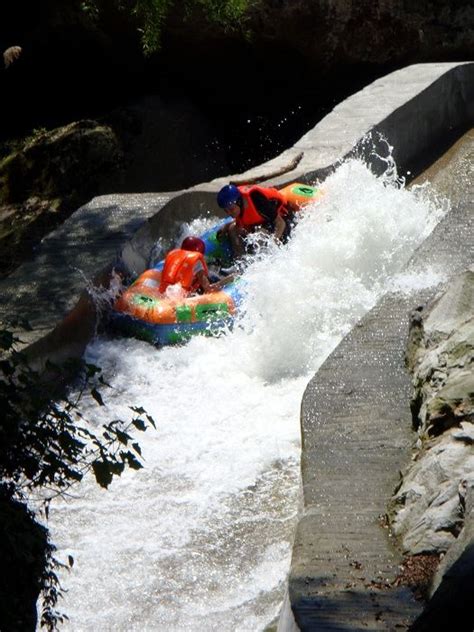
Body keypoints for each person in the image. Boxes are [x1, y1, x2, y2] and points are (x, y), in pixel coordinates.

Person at [216, 183, 295, 257]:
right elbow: (244, 218)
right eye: (226, 211)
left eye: (231, 209)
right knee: (232, 229)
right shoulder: (238, 204)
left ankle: (260, 261)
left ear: (239, 202)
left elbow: (281, 223)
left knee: (260, 234)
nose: (229, 213)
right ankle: (241, 260)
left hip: (284, 216)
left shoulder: (257, 200)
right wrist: (226, 226)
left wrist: (273, 244)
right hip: (262, 222)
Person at [159, 236, 233, 295]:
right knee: (214, 279)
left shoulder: (173, 255)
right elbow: (209, 289)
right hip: (179, 297)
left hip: (163, 292)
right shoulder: (196, 261)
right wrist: (228, 280)